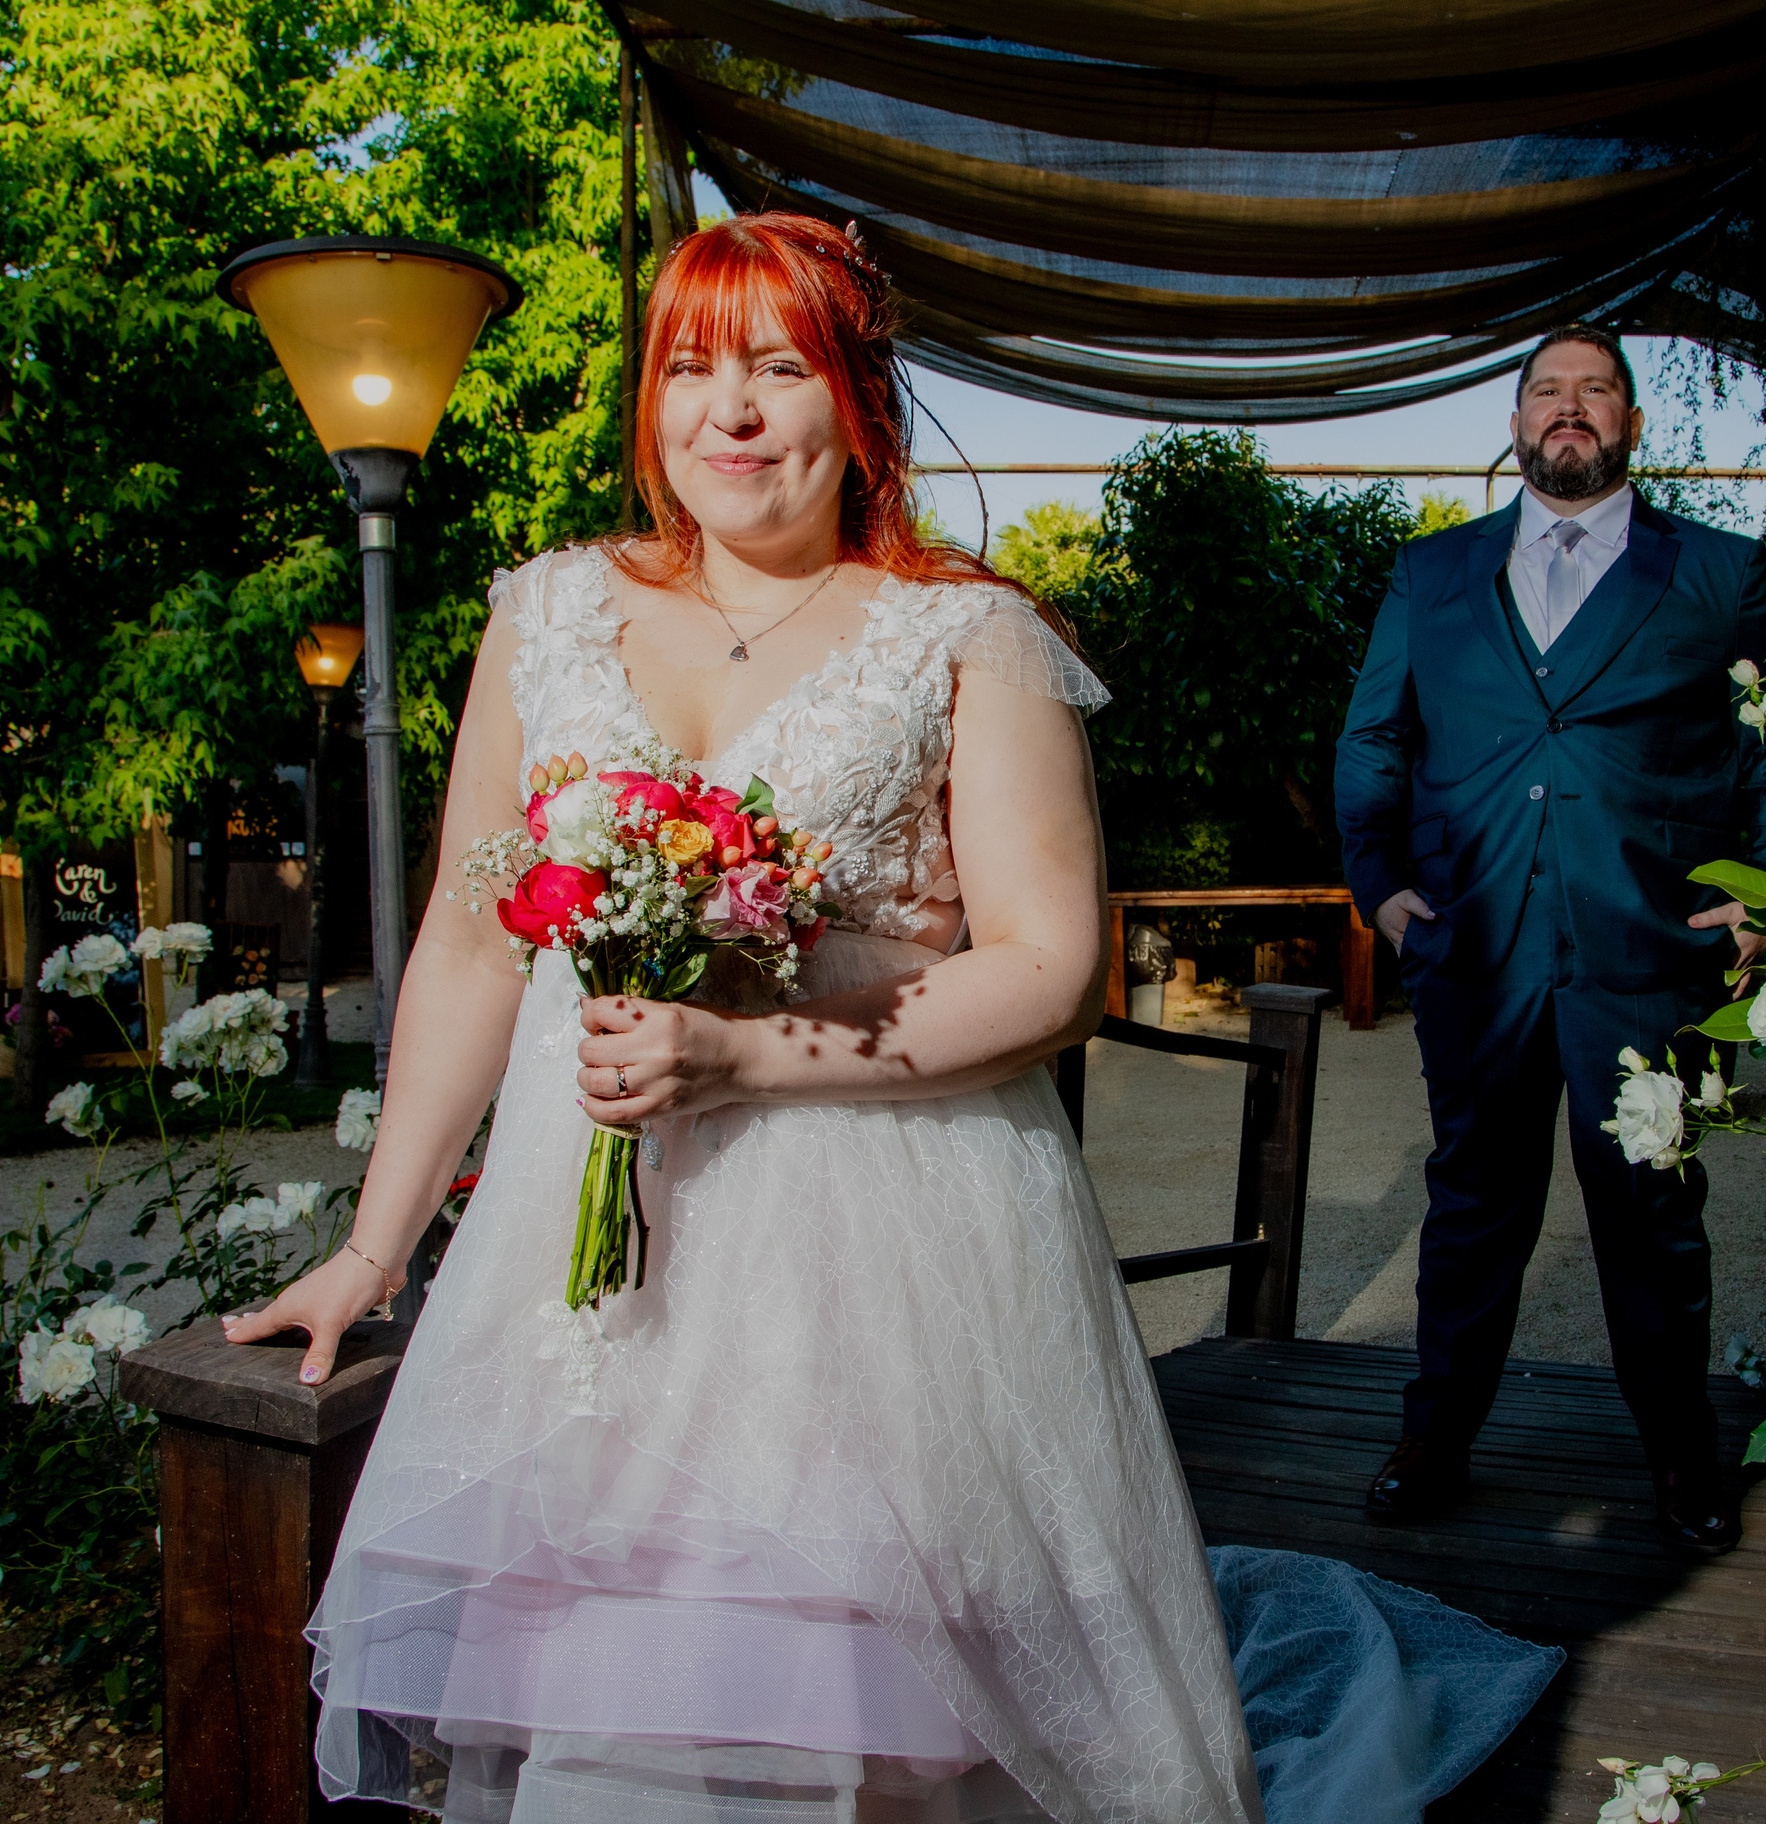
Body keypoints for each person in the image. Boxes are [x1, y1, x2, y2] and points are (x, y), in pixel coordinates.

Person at [223, 214, 1263, 1822]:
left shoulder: (971, 636)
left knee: (864, 1724)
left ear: (858, 405)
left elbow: (1052, 967)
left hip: (885, 1255)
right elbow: (471, 939)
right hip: (592, 1280)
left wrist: (742, 1053)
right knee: (608, 1706)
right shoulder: (546, 612)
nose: (733, 411)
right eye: (693, 370)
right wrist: (373, 1250)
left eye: (782, 368)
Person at [1332, 324, 1766, 1557]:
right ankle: (1433, 1438)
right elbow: (1374, 739)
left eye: (1594, 391)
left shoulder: (1719, 573)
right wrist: (1378, 886)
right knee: (1474, 1201)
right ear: (1513, 423)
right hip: (1474, 944)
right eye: (1545, 391)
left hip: (1650, 947)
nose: (1568, 408)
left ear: (1631, 424)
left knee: (1654, 1209)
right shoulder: (1429, 575)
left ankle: (1679, 1457)